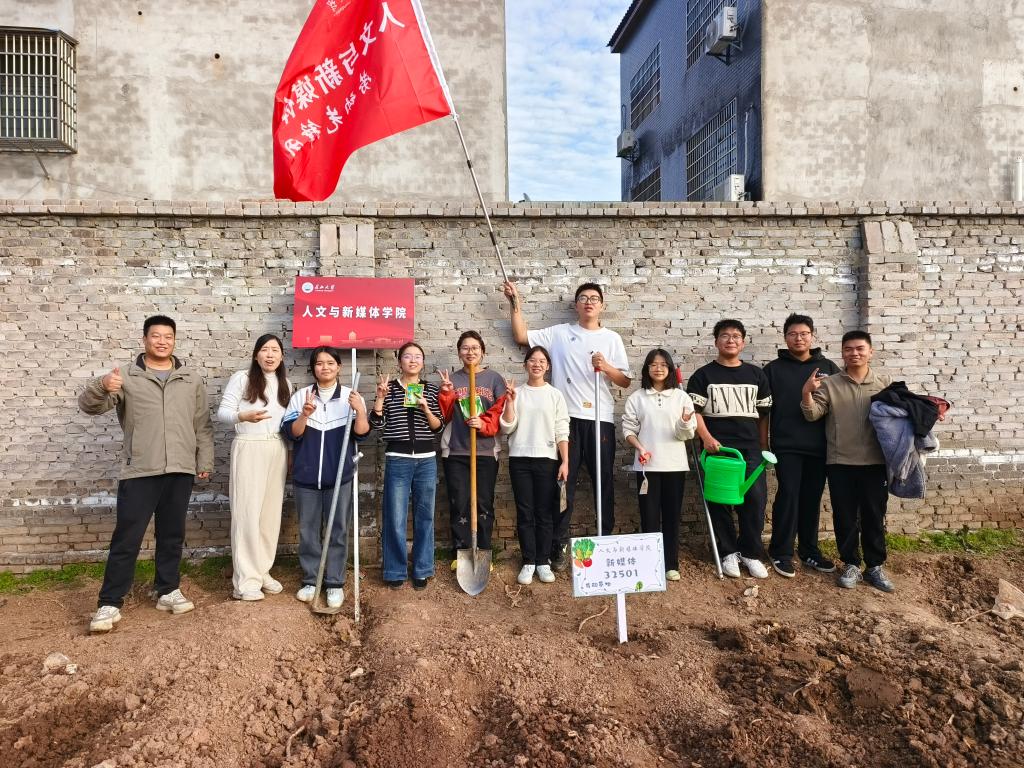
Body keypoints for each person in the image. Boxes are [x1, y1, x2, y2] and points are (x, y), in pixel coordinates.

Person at [79, 315, 214, 633]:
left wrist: (204, 460)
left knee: (172, 535)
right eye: (156, 336)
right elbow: (89, 406)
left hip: (180, 468)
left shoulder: (190, 379)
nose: (162, 341)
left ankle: (167, 590)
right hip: (140, 469)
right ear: (145, 339)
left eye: (168, 336)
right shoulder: (126, 376)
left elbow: (202, 424)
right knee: (127, 537)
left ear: (174, 340)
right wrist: (101, 386)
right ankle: (109, 602)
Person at [503, 281, 632, 569]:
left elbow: (625, 381)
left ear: (602, 305)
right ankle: (558, 545)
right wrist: (515, 302)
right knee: (564, 484)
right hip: (566, 421)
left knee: (603, 483)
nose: (589, 302)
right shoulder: (559, 333)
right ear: (576, 305)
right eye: (583, 298)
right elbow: (521, 336)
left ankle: (605, 540)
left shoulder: (611, 338)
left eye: (594, 298)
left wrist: (606, 367)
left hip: (600, 419)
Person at [801, 330, 895, 592]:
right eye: (848, 349)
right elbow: (812, 414)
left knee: (874, 515)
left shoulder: (885, 383)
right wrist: (807, 392)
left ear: (870, 352)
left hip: (876, 462)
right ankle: (851, 564)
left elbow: (904, 414)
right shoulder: (830, 384)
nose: (854, 353)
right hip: (840, 462)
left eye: (860, 348)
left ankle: (874, 566)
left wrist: (929, 414)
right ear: (842, 353)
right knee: (845, 516)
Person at [281, 347, 370, 608]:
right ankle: (311, 580)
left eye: (330, 362)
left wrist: (360, 411)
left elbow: (362, 434)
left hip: (339, 477)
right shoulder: (301, 396)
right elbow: (292, 433)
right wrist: (305, 414)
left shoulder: (351, 396)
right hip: (306, 477)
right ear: (313, 368)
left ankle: (334, 583)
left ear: (339, 366)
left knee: (338, 530)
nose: (325, 367)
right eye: (319, 363)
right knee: (308, 531)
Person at [687, 319, 773, 580]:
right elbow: (694, 412)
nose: (731, 340)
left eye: (736, 336)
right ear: (716, 342)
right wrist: (706, 438)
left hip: (751, 450)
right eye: (725, 335)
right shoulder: (703, 375)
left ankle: (751, 553)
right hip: (718, 449)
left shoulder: (757, 375)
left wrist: (763, 446)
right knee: (720, 501)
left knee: (755, 500)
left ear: (743, 343)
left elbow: (764, 414)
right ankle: (728, 553)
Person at [762, 315, 841, 578]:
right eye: (793, 334)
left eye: (804, 333)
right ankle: (780, 551)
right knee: (788, 495)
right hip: (786, 446)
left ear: (812, 336)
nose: (799, 338)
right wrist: (764, 443)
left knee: (811, 498)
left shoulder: (827, 367)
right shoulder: (773, 370)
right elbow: (764, 412)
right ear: (785, 337)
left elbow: (841, 403)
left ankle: (809, 551)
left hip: (820, 446)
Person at [216, 333, 292, 601]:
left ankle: (262, 571)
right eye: (265, 350)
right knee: (247, 514)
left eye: (275, 350)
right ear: (256, 355)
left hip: (276, 447)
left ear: (282, 356)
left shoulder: (285, 383)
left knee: (270, 515)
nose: (270, 355)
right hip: (249, 445)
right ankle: (245, 581)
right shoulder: (242, 378)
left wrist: (289, 453)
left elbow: (286, 423)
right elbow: (222, 413)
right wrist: (242, 416)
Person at [369, 341, 444, 591]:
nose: (413, 360)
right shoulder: (388, 388)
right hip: (398, 458)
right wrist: (380, 399)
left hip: (426, 460)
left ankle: (422, 568)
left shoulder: (430, 390)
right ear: (399, 361)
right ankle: (394, 569)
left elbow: (438, 427)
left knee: (425, 515)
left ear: (423, 362)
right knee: (395, 516)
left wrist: (425, 408)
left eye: (417, 356)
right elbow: (377, 425)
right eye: (408, 356)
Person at [621, 349, 696, 581]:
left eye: (663, 364)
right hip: (647, 468)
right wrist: (640, 447)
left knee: (672, 517)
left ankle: (671, 565)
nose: (658, 368)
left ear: (670, 369)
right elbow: (628, 430)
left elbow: (686, 434)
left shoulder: (681, 398)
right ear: (646, 369)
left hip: (675, 466)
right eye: (653, 364)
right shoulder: (637, 398)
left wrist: (684, 422)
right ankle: (650, 565)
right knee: (649, 516)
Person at [500, 346, 570, 585]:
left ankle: (543, 561)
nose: (537, 364)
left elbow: (562, 429)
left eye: (542, 361)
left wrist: (565, 461)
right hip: (519, 459)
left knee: (544, 512)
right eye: (532, 360)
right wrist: (510, 402)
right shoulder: (517, 393)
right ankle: (528, 561)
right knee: (525, 512)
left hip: (547, 460)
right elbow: (507, 427)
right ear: (525, 365)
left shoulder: (555, 395)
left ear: (547, 366)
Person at [437, 331, 508, 566]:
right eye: (465, 348)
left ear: (482, 351)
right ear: (459, 353)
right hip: (456, 451)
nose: (470, 352)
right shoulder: (453, 380)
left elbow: (499, 412)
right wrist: (446, 393)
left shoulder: (494, 379)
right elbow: (445, 415)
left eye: (475, 348)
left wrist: (483, 424)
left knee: (484, 503)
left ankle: (484, 549)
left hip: (486, 451)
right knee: (459, 503)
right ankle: (461, 551)